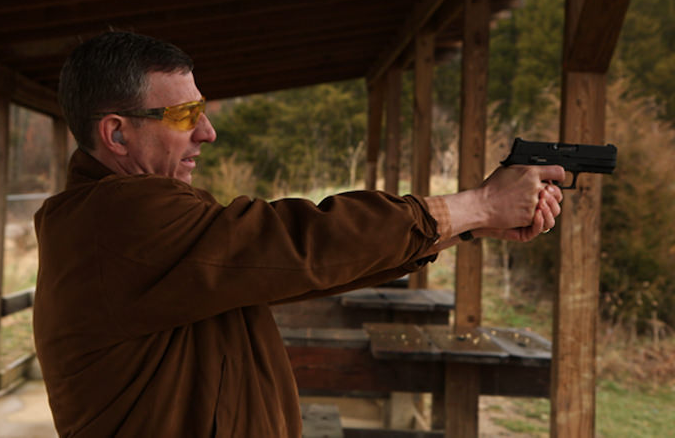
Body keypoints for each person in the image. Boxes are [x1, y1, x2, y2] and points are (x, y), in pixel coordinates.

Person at [33, 31, 564, 437]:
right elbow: (300, 243)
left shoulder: (120, 219)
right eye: (185, 114)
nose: (207, 132)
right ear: (117, 133)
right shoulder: (120, 216)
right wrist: (481, 204)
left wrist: (474, 221)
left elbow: (291, 269)